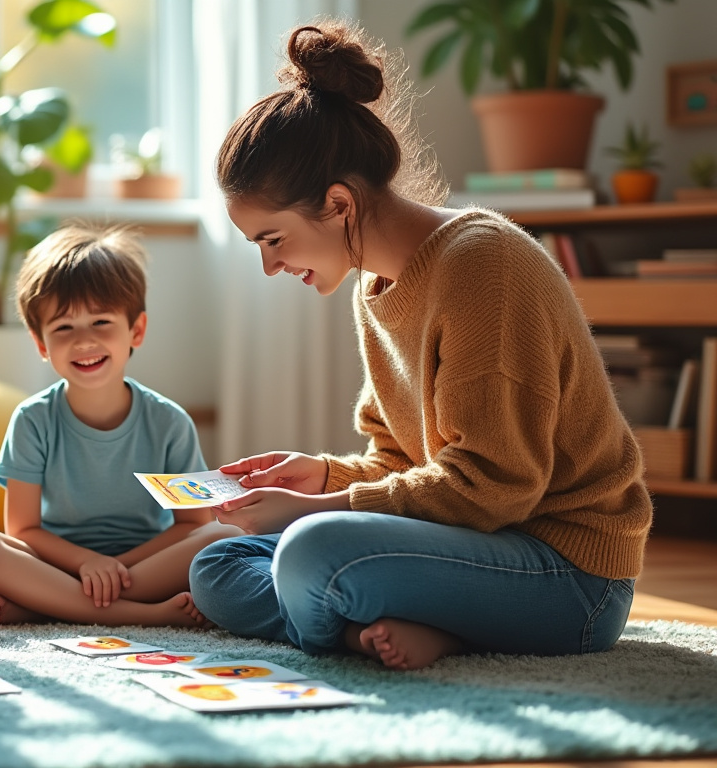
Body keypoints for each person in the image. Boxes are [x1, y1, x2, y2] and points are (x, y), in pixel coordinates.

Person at [188, 22, 651, 670]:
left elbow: (496, 487)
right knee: (216, 565)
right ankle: (366, 631)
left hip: (567, 575)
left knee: (309, 551)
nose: (270, 266)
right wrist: (322, 475)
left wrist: (320, 507)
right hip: (467, 544)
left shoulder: (482, 267)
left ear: (339, 204)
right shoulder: (376, 285)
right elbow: (404, 462)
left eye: (273, 239)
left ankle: (388, 618)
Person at [0, 225, 240, 626]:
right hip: (60, 564)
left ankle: (56, 605)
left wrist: (113, 568)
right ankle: (146, 616)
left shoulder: (170, 421)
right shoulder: (32, 420)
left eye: (100, 322)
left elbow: (191, 525)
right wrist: (86, 563)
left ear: (137, 330)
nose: (83, 341)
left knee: (225, 536)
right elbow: (23, 528)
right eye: (63, 327)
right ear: (41, 343)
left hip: (142, 568)